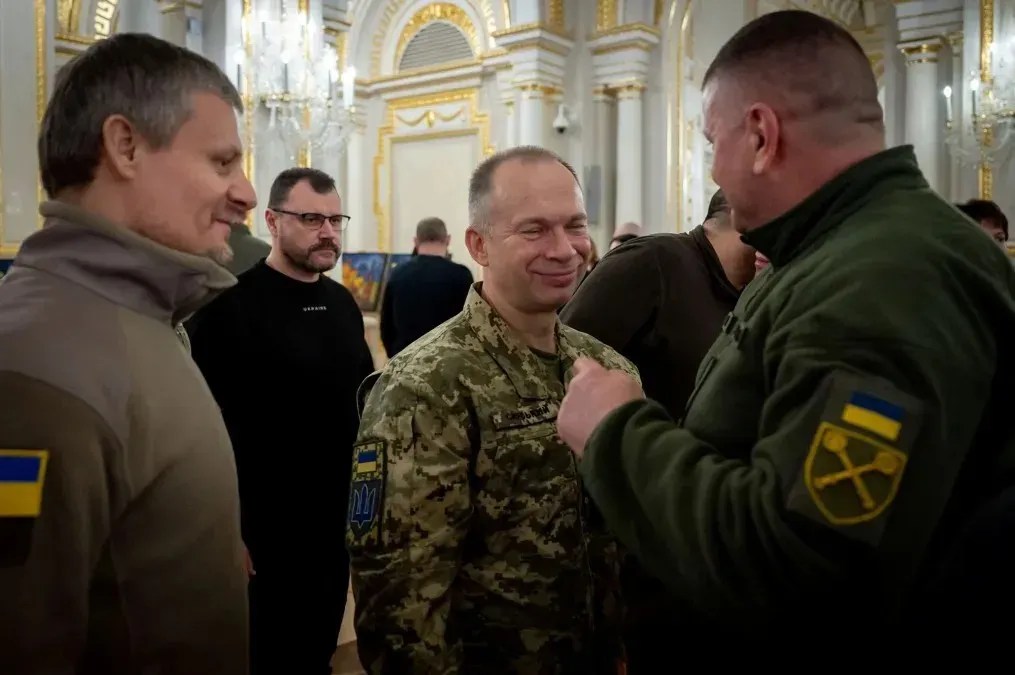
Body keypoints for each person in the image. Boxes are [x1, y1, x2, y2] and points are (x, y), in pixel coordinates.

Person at [557, 9, 1015, 648]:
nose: (714, 171)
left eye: (712, 142)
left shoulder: (882, 277)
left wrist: (615, 431)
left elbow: (796, 564)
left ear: (761, 134)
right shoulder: (842, 253)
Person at [0, 33, 255, 673]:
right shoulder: (37, 365)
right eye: (223, 163)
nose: (247, 194)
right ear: (126, 147)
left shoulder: (141, 319)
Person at [348, 146, 639, 673]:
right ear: (478, 245)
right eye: (533, 230)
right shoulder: (424, 385)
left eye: (575, 225)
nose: (565, 250)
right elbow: (402, 604)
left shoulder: (605, 367)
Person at [187, 167, 374, 675]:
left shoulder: (341, 304)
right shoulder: (229, 306)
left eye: (336, 219)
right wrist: (226, 530)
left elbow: (359, 410)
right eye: (312, 218)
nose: (328, 231)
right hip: (260, 534)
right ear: (272, 221)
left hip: (331, 529)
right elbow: (199, 431)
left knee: (316, 654)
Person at [559, 188, 753, 671]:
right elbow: (566, 369)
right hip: (633, 538)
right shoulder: (652, 264)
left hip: (703, 531)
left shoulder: (761, 289)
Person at [379, 216, 473, 358]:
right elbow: (470, 326)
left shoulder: (397, 274)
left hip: (404, 364)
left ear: (415, 241)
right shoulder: (462, 275)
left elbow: (386, 327)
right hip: (448, 363)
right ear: (448, 240)